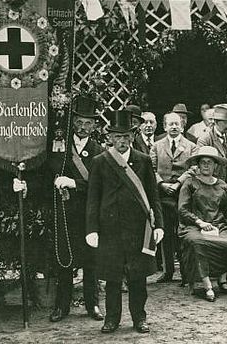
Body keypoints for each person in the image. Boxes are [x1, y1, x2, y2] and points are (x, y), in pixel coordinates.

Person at [85, 110, 164, 334]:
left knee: (138, 277)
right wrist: (92, 229)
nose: (121, 141)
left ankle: (139, 318)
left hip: (137, 228)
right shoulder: (100, 161)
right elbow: (93, 198)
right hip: (110, 228)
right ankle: (111, 319)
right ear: (110, 138)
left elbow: (153, 195)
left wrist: (158, 225)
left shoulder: (144, 160)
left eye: (126, 136)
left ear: (132, 137)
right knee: (112, 277)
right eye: (117, 137)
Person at [46, 96, 103, 322]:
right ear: (73, 121)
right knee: (64, 259)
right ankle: (62, 306)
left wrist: (74, 183)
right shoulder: (59, 147)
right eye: (79, 121)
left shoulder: (98, 150)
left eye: (88, 122)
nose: (83, 127)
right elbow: (48, 173)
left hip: (89, 213)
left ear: (95, 125)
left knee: (92, 260)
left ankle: (93, 305)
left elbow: (99, 185)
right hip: (65, 211)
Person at [177, 146, 227, 302]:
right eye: (203, 162)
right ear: (198, 164)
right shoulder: (190, 183)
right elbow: (182, 209)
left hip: (218, 225)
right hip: (193, 226)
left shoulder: (222, 185)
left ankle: (222, 278)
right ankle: (207, 284)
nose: (206, 165)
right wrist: (200, 222)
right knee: (198, 243)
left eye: (210, 162)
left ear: (215, 165)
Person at [150, 112, 197, 283]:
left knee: (183, 232)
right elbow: (151, 169)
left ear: (183, 126)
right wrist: (162, 184)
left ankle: (185, 272)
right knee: (166, 232)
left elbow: (193, 168)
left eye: (177, 124)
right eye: (171, 124)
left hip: (183, 194)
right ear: (164, 127)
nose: (174, 127)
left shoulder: (191, 146)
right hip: (162, 195)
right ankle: (168, 271)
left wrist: (178, 183)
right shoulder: (156, 146)